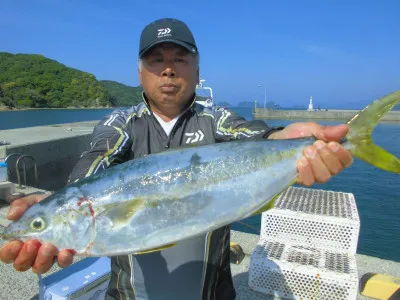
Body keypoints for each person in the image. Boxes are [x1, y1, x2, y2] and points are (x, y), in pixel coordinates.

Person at [0, 18, 353, 300]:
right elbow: (96, 159)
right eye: (156, 60)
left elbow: (256, 136)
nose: (168, 70)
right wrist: (64, 199)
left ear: (197, 71)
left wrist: (286, 142)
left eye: (179, 59)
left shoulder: (217, 119)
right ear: (140, 72)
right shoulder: (120, 123)